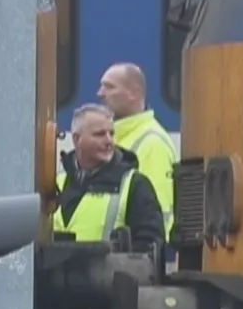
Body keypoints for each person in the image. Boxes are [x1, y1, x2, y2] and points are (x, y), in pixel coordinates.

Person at [54, 103, 166, 252]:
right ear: (77, 139)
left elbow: (151, 248)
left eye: (111, 134)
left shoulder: (134, 185)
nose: (109, 141)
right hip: (56, 275)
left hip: (110, 275)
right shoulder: (57, 183)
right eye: (100, 134)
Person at [97, 63, 178, 237]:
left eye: (109, 87)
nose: (100, 93)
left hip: (133, 258)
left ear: (133, 93)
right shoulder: (119, 136)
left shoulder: (152, 143)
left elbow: (157, 213)